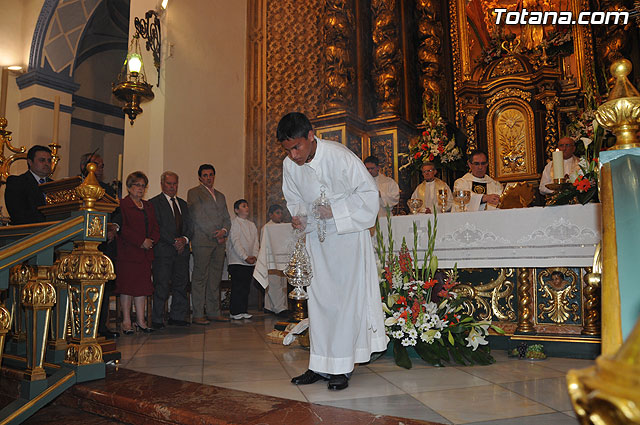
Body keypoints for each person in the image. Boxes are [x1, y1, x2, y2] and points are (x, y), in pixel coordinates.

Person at [278, 112, 386, 391]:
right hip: (317, 240)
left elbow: (369, 196)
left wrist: (335, 211)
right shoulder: (290, 166)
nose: (293, 155)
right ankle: (319, 363)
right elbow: (295, 199)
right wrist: (298, 216)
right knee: (320, 301)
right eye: (288, 150)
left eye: (297, 147)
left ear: (311, 136)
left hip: (347, 237)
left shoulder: (340, 156)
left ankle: (341, 366)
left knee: (343, 301)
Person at [80, 153, 120, 339]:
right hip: (80, 247)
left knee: (104, 290)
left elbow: (116, 214)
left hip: (105, 247)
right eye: (97, 164)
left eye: (102, 165)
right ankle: (81, 327)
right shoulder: (76, 187)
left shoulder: (106, 190)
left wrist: (113, 228)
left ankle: (101, 326)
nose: (100, 169)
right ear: (85, 166)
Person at [115, 171, 160, 334]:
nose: (140, 189)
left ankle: (141, 321)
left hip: (145, 254)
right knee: (127, 288)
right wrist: (140, 241)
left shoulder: (148, 206)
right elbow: (123, 228)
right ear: (129, 187)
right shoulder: (122, 205)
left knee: (142, 288)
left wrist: (151, 241)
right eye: (137, 185)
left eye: (143, 186)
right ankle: (126, 322)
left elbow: (155, 226)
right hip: (128, 253)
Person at [187, 164, 231, 324]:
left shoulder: (220, 195)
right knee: (200, 278)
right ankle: (198, 314)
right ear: (200, 177)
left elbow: (226, 217)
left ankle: (214, 311)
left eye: (211, 175)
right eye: (205, 175)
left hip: (219, 242)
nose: (208, 178)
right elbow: (198, 217)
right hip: (203, 241)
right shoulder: (194, 193)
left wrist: (224, 231)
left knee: (215, 278)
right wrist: (216, 234)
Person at [149, 171, 193, 329]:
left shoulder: (183, 204)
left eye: (175, 184)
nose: (172, 187)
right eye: (169, 184)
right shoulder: (154, 203)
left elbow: (189, 226)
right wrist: (174, 241)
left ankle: (177, 316)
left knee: (181, 284)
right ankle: (157, 319)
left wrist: (185, 240)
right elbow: (157, 227)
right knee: (161, 285)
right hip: (164, 251)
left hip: (182, 252)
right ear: (162, 184)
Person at [227, 199, 259, 320]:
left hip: (250, 262)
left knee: (246, 287)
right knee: (238, 286)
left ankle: (243, 310)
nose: (247, 208)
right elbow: (236, 242)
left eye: (247, 206)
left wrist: (254, 255)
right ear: (236, 210)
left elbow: (256, 241)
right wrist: (245, 257)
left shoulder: (252, 224)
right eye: (243, 206)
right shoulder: (234, 223)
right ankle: (235, 311)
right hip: (237, 261)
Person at [5, 145, 53, 224]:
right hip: (29, 232)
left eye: (49, 160)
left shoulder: (55, 184)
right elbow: (17, 214)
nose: (47, 164)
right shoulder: (17, 182)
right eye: (42, 160)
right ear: (30, 162)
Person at [262, 204, 289, 316]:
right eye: (277, 213)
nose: (280, 215)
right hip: (271, 259)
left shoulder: (282, 226)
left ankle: (269, 307)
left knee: (282, 284)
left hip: (282, 259)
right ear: (270, 215)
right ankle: (280, 308)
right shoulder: (267, 227)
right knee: (274, 284)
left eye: (281, 213)